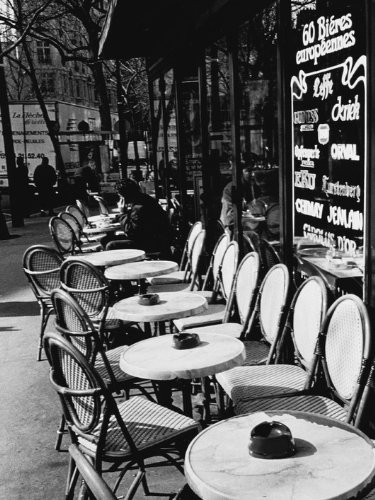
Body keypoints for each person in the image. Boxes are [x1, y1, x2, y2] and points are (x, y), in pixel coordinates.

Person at [103, 179, 172, 258]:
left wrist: (122, 213)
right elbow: (132, 217)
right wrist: (116, 218)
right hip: (151, 238)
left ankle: (116, 267)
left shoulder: (139, 207)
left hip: (151, 243)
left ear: (125, 195)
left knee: (111, 245)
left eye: (120, 196)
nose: (120, 199)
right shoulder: (143, 199)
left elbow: (130, 231)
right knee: (105, 240)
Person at [219, 162, 255, 234]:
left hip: (245, 226)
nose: (252, 174)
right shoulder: (230, 188)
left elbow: (252, 207)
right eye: (248, 171)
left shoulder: (249, 186)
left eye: (253, 171)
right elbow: (228, 217)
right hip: (230, 228)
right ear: (240, 173)